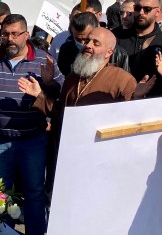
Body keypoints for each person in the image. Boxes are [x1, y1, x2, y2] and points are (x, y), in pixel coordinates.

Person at [19, 26, 135, 197]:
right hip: (69, 155)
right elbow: (61, 114)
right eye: (87, 40)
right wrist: (40, 95)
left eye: (96, 43)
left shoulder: (123, 80)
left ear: (109, 52)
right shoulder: (73, 78)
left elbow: (129, 123)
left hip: (100, 159)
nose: (88, 45)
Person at [0, 13, 63, 235]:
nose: (10, 39)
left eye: (15, 34)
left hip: (32, 140)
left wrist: (46, 85)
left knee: (34, 191)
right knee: (0, 193)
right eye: (5, 34)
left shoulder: (43, 61)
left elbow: (61, 92)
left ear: (26, 35)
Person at [114, 0, 162, 97]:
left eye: (147, 9)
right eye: (137, 8)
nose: (141, 12)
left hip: (156, 107)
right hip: (119, 104)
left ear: (158, 12)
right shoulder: (116, 36)